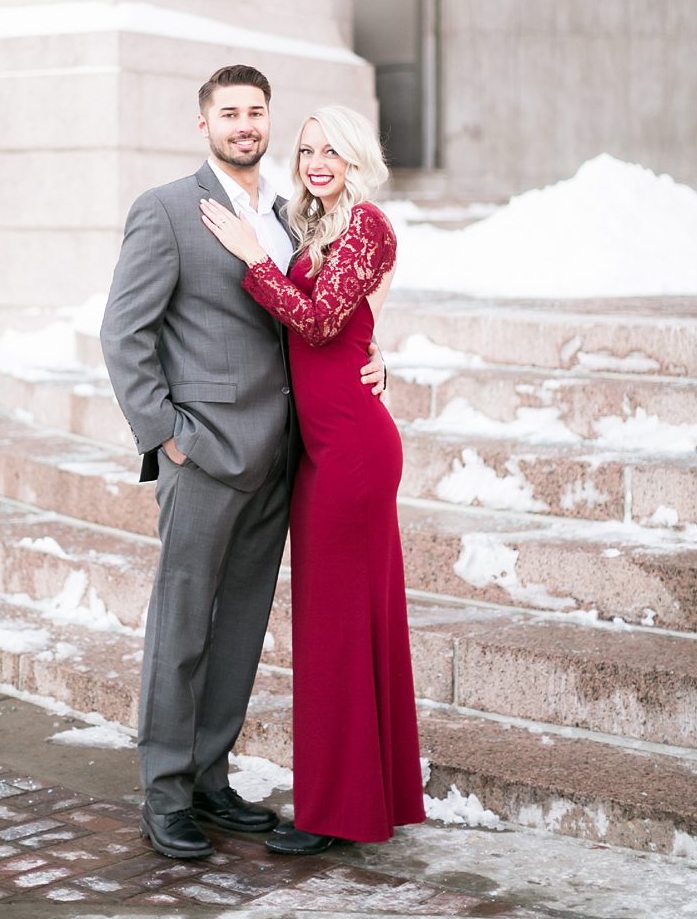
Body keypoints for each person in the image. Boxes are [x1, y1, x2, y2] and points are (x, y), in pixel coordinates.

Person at [101, 65, 387, 860]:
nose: (245, 125)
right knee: (182, 628)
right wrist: (166, 435)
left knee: (239, 633)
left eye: (256, 112)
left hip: (282, 457)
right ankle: (164, 792)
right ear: (205, 125)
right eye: (230, 113)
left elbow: (324, 314)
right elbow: (124, 335)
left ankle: (210, 778)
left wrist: (376, 358)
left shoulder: (296, 217)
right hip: (205, 452)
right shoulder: (165, 211)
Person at [199, 103, 424, 855]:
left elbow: (325, 321)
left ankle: (337, 813)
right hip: (321, 447)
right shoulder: (317, 225)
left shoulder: (366, 225)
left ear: (358, 155)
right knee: (337, 629)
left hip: (354, 451)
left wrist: (249, 258)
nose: (315, 161)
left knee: (339, 631)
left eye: (330, 150)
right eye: (306, 150)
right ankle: (359, 799)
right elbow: (350, 329)